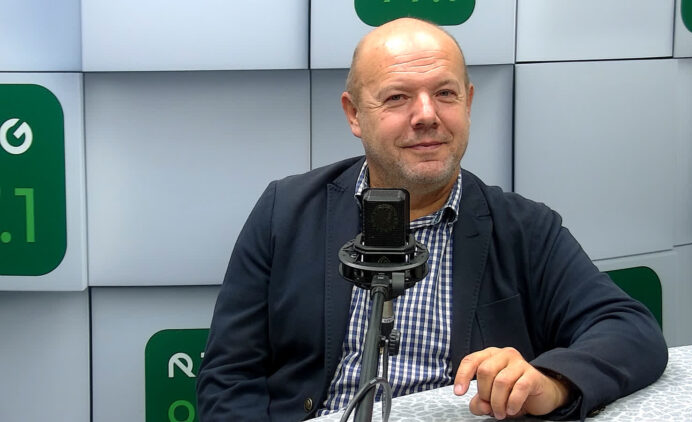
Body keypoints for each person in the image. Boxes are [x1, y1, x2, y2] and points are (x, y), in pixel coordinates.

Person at [196, 17, 667, 421]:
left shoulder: (525, 228)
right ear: (354, 114)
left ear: (468, 103)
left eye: (444, 93)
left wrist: (551, 381)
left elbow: (630, 329)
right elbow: (228, 377)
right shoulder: (285, 212)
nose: (426, 115)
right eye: (397, 97)